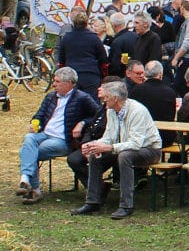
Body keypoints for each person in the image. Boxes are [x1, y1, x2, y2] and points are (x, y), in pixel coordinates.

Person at [69, 81, 162, 218]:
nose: (103, 99)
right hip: (123, 147)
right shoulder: (111, 110)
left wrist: (109, 147)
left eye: (106, 96)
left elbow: (136, 143)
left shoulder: (137, 111)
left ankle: (126, 205)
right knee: (95, 155)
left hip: (149, 149)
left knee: (125, 156)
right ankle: (93, 201)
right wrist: (93, 145)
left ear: (115, 98)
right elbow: (109, 137)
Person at [16, 69, 100, 204]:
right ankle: (26, 179)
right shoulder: (50, 97)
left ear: (69, 83)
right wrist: (34, 123)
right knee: (29, 138)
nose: (54, 84)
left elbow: (98, 115)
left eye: (57, 81)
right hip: (45, 134)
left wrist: (82, 123)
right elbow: (39, 115)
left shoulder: (82, 98)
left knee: (28, 151)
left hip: (64, 140)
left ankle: (33, 188)